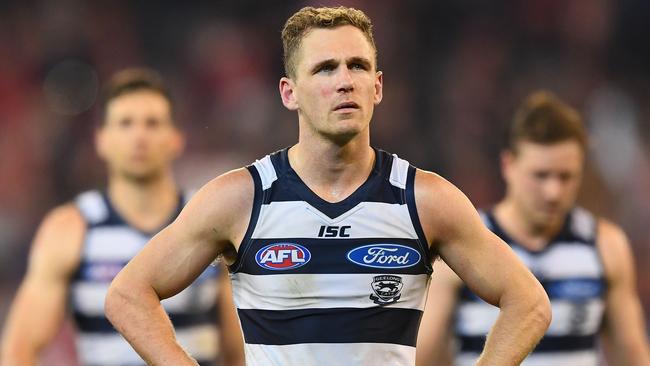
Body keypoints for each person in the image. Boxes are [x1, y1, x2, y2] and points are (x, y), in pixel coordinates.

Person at [104, 7, 551, 366]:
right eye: (324, 69)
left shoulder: (426, 200)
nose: (344, 81)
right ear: (289, 92)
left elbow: (528, 303)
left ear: (377, 87)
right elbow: (128, 295)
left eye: (358, 66)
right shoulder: (240, 199)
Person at [1, 68, 244, 366]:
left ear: (176, 138)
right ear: (101, 140)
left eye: (152, 123)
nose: (139, 136)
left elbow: (240, 349)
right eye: (125, 123)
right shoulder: (71, 228)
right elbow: (20, 349)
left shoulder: (209, 218)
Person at [416, 91, 650, 366]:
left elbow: (632, 357)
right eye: (540, 175)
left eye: (565, 177)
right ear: (508, 166)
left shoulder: (605, 246)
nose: (553, 191)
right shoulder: (462, 243)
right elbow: (423, 354)